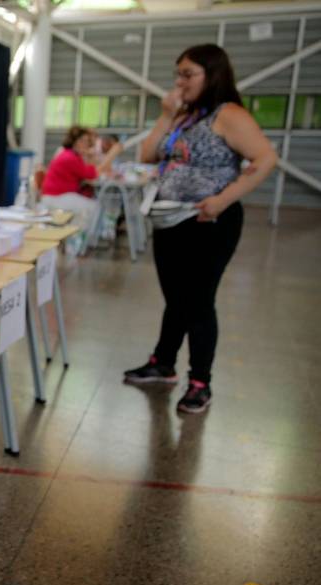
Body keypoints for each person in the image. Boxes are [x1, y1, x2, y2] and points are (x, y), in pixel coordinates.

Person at [125, 43, 276, 413]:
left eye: (188, 74)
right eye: (178, 74)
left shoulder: (229, 115)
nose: (180, 81)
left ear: (212, 75)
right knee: (177, 299)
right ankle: (163, 362)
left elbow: (266, 158)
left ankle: (200, 381)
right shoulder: (184, 117)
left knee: (198, 302)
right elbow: (146, 155)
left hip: (209, 222)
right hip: (169, 220)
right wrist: (165, 115)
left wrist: (223, 199)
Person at [40, 126, 121, 238]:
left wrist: (89, 155)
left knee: (90, 206)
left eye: (88, 141)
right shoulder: (70, 157)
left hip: (57, 196)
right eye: (84, 141)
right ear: (76, 142)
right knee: (95, 207)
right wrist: (112, 154)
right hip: (56, 198)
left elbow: (91, 170)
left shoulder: (72, 155)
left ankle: (76, 239)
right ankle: (78, 242)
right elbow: (93, 174)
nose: (87, 144)